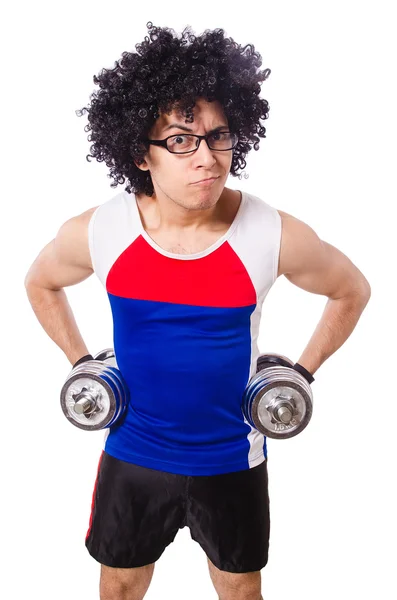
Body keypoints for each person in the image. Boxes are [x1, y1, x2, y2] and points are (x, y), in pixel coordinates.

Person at [24, 21, 371, 600]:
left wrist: (300, 375)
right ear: (141, 152)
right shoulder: (102, 230)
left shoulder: (271, 232)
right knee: (119, 588)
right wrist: (81, 363)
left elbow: (351, 289)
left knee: (239, 591)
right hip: (133, 453)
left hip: (232, 458)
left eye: (219, 136)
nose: (208, 158)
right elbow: (39, 284)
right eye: (181, 139)